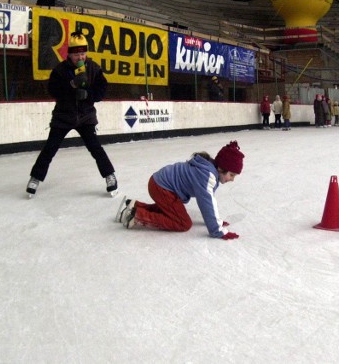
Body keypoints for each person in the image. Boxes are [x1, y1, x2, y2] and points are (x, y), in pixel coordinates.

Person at [26, 32, 117, 197]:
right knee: (50, 148)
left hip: (86, 117)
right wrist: (71, 86)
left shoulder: (94, 68)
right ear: (69, 54)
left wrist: (88, 94)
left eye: (83, 53)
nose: (80, 57)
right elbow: (52, 90)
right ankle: (35, 178)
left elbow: (101, 90)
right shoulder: (60, 70)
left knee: (96, 148)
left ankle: (110, 176)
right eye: (76, 54)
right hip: (63, 116)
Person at [116, 141, 244, 241]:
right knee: (183, 222)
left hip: (159, 183)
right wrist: (217, 229)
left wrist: (217, 221)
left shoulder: (208, 170)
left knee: (172, 210)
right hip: (162, 187)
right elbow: (207, 203)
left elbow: (208, 202)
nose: (232, 179)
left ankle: (134, 205)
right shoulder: (207, 175)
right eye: (232, 175)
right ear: (222, 168)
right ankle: (136, 215)